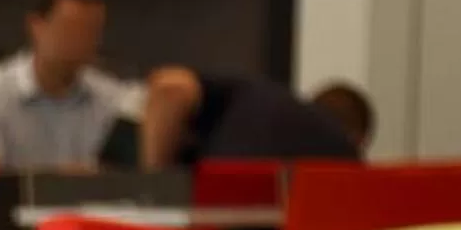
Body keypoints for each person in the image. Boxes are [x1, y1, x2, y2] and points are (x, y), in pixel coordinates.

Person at [0, 0, 147, 170]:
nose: (81, 40)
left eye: (91, 31)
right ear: (36, 26)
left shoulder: (112, 97)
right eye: (71, 28)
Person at [139, 70, 373, 167]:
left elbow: (168, 89)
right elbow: (170, 89)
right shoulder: (342, 154)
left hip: (219, 212)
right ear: (357, 138)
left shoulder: (254, 96)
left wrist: (153, 186)